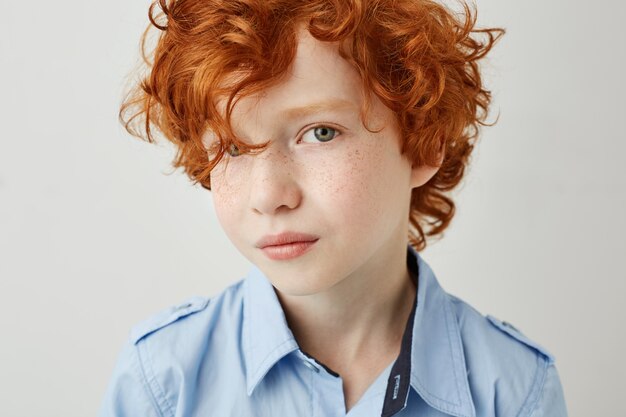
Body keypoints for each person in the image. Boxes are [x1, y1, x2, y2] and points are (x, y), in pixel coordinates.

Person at [99, 0, 568, 416]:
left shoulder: (513, 391)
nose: (269, 196)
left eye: (320, 133)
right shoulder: (162, 382)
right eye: (233, 149)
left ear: (425, 144)